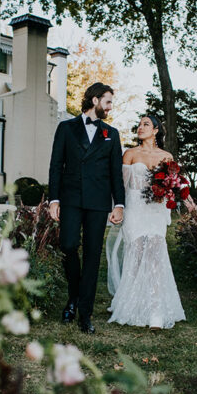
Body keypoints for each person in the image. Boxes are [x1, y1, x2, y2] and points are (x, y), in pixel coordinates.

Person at [48, 82, 125, 334]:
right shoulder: (66, 128)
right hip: (70, 199)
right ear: (94, 100)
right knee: (68, 245)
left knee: (92, 256)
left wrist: (119, 204)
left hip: (98, 202)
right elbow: (56, 165)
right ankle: (74, 296)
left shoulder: (111, 134)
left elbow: (116, 173)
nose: (111, 107)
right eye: (108, 101)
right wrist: (54, 199)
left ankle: (84, 313)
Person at [107, 115, 186, 329]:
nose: (140, 128)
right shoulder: (130, 154)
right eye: (140, 124)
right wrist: (118, 208)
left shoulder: (166, 156)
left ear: (156, 130)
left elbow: (173, 186)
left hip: (155, 212)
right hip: (135, 210)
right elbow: (120, 185)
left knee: (156, 257)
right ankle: (130, 304)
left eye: (146, 124)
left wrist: (171, 194)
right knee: (137, 252)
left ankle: (156, 311)